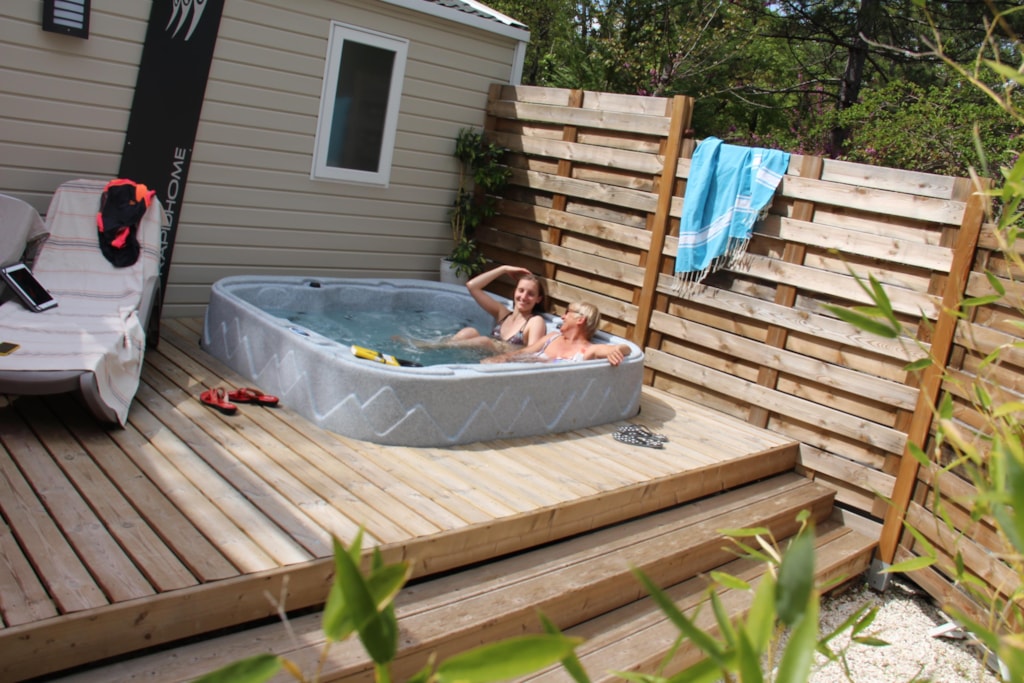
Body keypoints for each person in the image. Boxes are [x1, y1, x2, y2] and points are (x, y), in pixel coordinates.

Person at [483, 301, 632, 366]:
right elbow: (523, 353)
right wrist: (500, 358)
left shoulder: (587, 350)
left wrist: (617, 351)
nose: (562, 317)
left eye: (567, 312)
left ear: (580, 319)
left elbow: (627, 348)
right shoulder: (552, 337)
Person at [446, 264, 548, 350]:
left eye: (530, 294)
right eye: (521, 290)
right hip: (482, 357)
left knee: (485, 341)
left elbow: (532, 353)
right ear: (515, 292)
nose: (524, 297)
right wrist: (503, 269)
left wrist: (493, 346)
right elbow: (472, 286)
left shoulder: (535, 321)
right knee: (469, 332)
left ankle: (439, 347)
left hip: (500, 363)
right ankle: (441, 347)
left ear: (538, 299)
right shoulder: (503, 314)